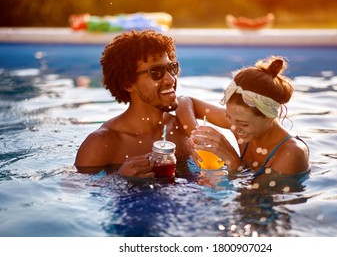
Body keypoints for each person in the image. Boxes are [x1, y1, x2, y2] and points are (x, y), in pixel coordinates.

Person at [74, 30, 190, 177]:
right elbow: (73, 190)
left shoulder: (184, 129)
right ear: (128, 84)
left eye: (171, 68)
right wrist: (120, 179)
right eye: (156, 72)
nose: (171, 80)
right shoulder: (101, 144)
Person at [176, 56, 309, 180]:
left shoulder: (291, 153)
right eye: (228, 117)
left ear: (270, 117)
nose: (233, 127)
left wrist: (233, 162)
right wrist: (197, 137)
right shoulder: (239, 123)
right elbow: (184, 101)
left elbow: (254, 200)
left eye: (243, 124)